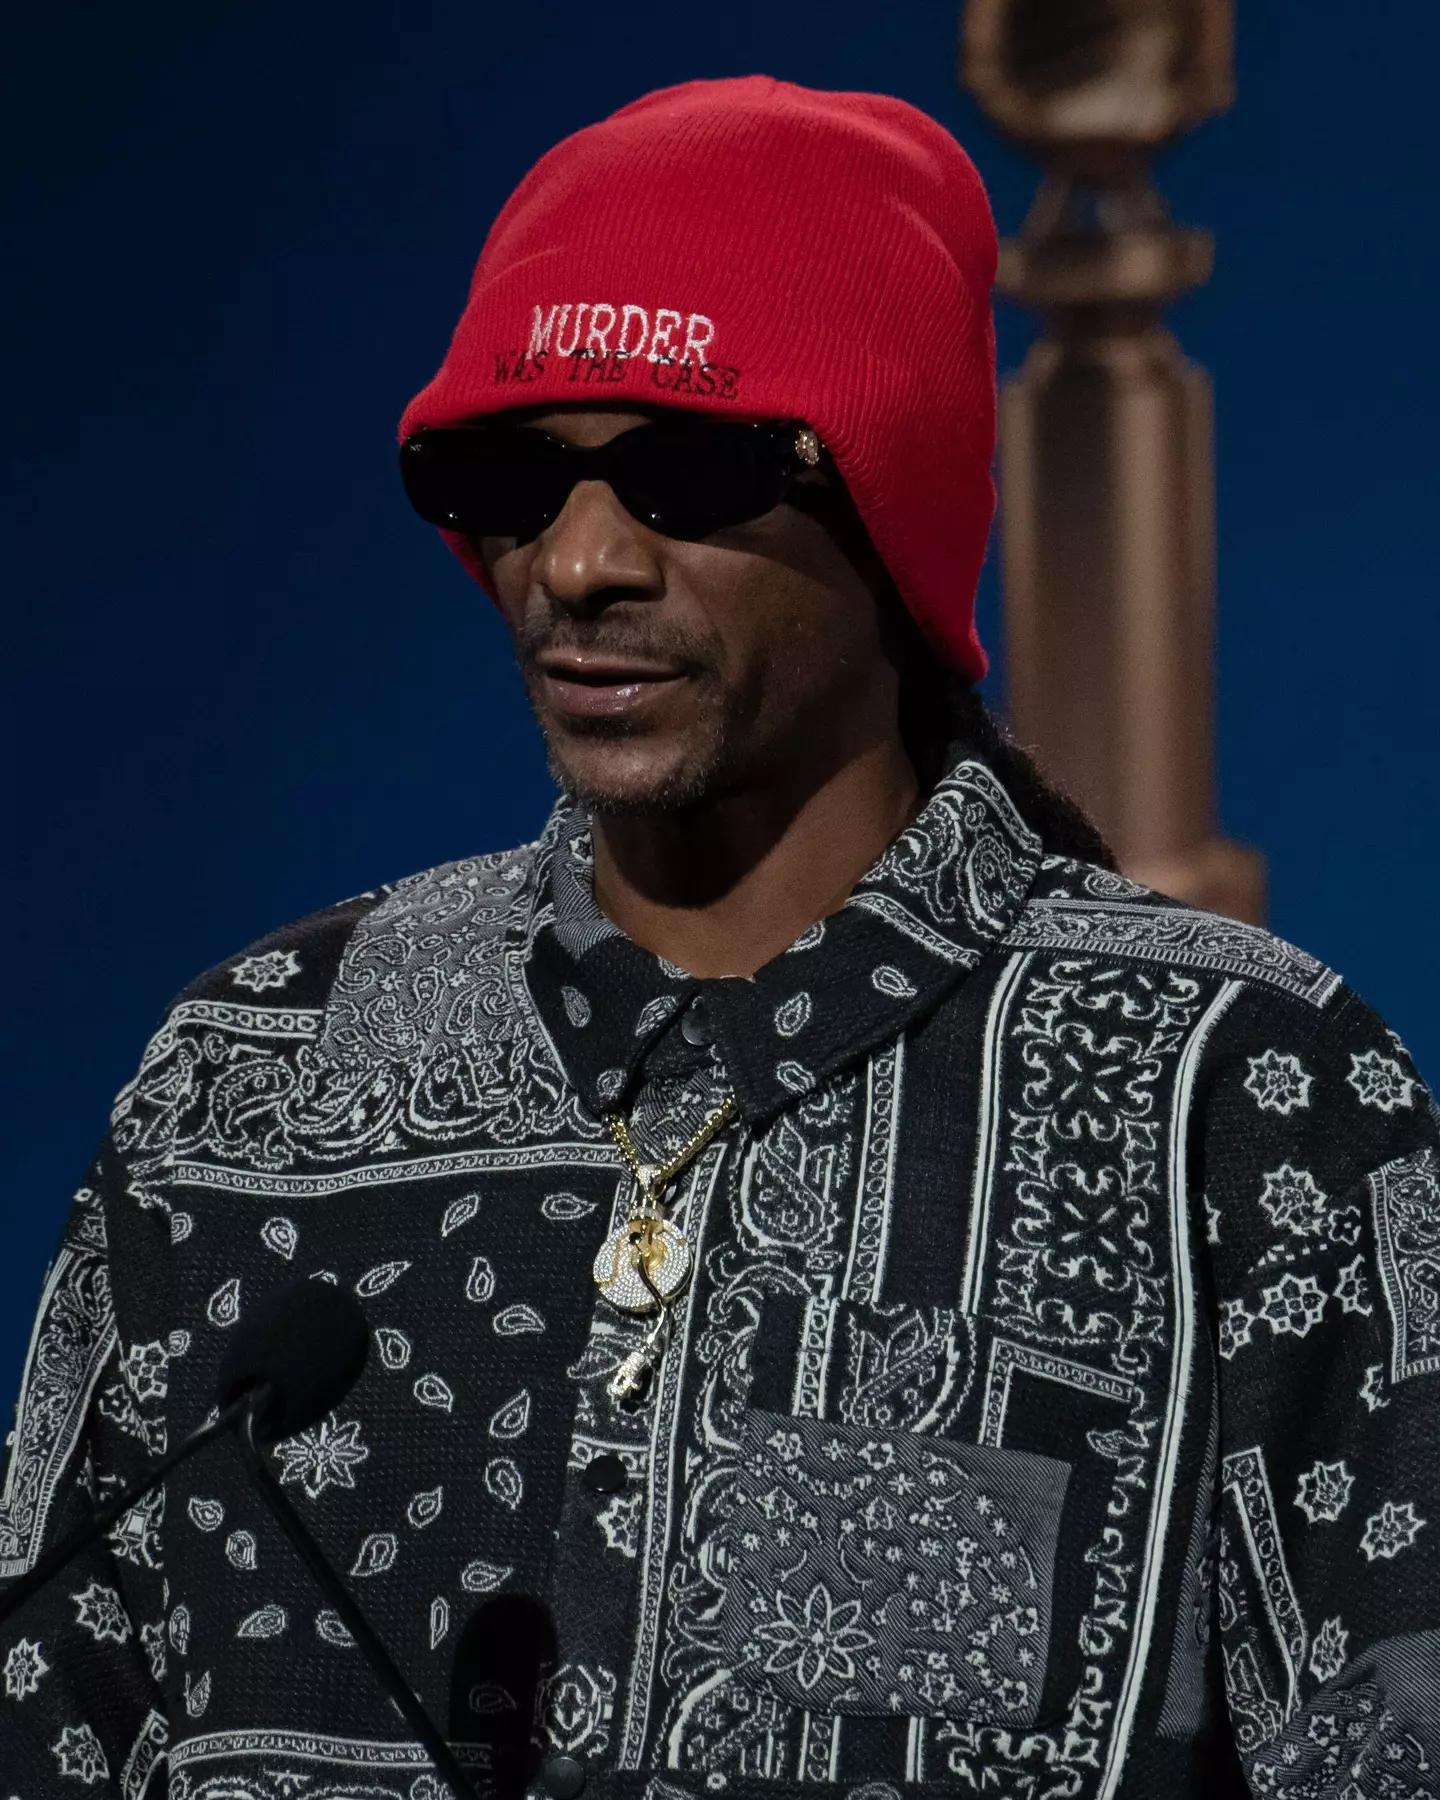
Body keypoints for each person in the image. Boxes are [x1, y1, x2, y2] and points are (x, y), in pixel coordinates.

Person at [2, 74, 1436, 1800]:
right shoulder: (245, 1080)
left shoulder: (1243, 1100)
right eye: (508, 479)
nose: (578, 561)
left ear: (890, 513)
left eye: (683, 472)